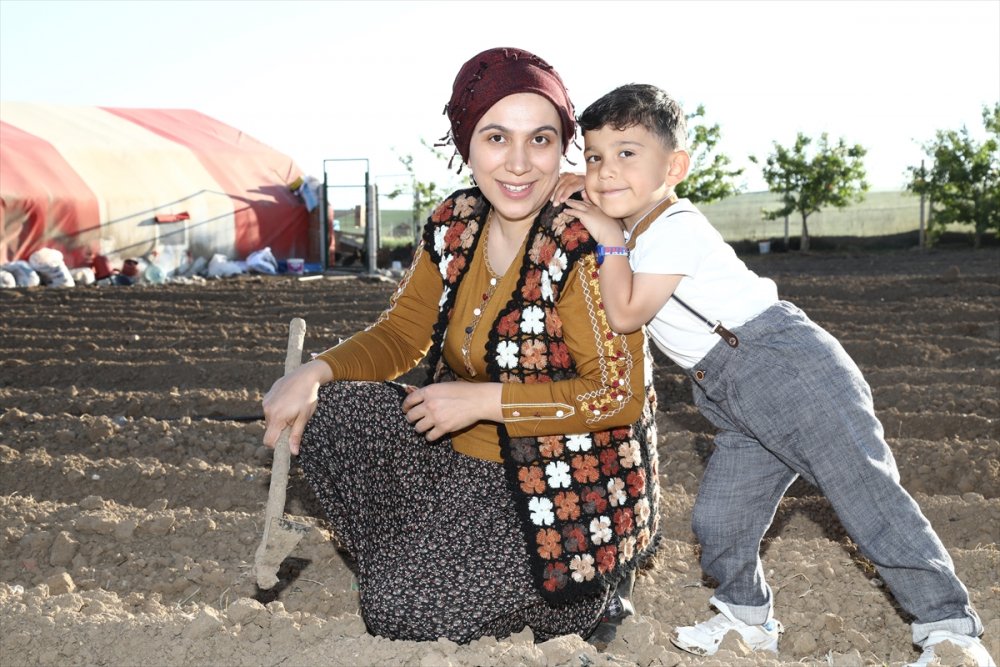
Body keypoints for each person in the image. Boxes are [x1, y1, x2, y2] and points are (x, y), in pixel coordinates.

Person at [555, 83, 994, 666]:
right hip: (729, 393)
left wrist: (608, 240)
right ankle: (747, 618)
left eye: (627, 153)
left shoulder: (673, 226)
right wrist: (577, 187)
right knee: (719, 519)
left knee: (866, 500)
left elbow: (627, 312)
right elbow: (605, 196)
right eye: (594, 156)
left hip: (784, 367)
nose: (607, 171)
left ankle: (950, 631)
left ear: (676, 166)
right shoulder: (636, 224)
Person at [261, 49, 662, 646]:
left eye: (542, 139)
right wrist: (314, 373)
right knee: (332, 412)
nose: (521, 163)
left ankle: (592, 591)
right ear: (466, 144)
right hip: (461, 464)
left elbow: (617, 397)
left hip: (562, 491)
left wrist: (483, 401)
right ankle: (427, 556)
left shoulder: (585, 242)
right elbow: (403, 333)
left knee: (406, 615)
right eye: (497, 137)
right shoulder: (457, 222)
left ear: (564, 148)